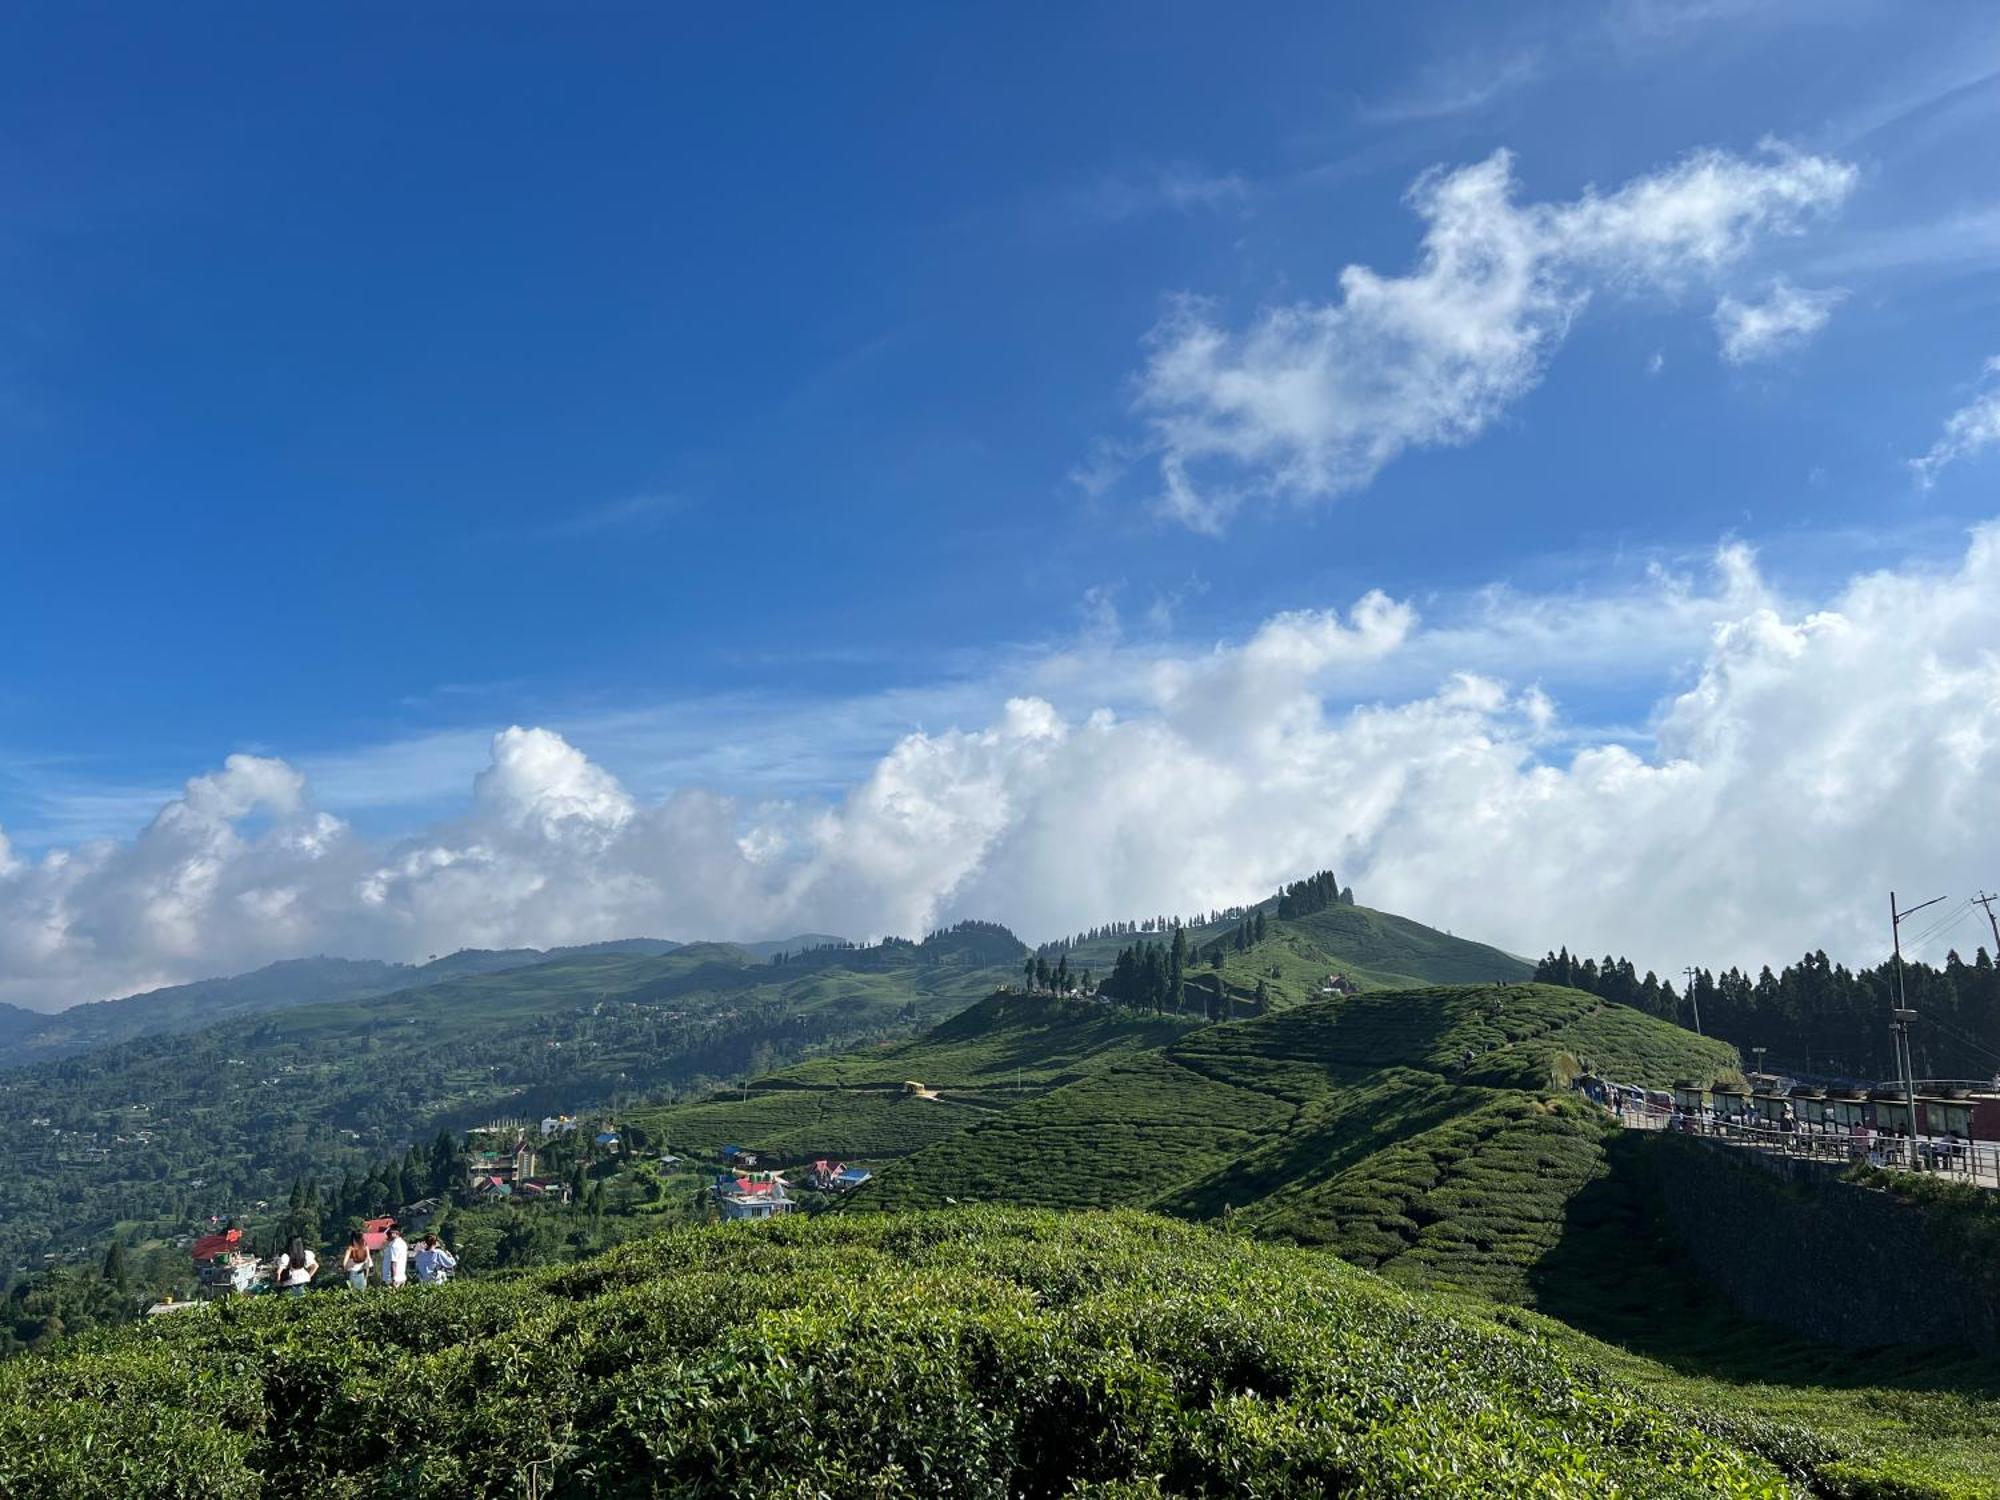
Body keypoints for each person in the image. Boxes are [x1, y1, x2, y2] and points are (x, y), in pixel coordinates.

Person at [382, 1223, 409, 1288]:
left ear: (396, 1233)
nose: (388, 1235)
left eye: (390, 1233)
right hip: (401, 1276)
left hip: (392, 1279)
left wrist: (393, 1278)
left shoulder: (394, 1245)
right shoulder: (403, 1243)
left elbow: (393, 1263)